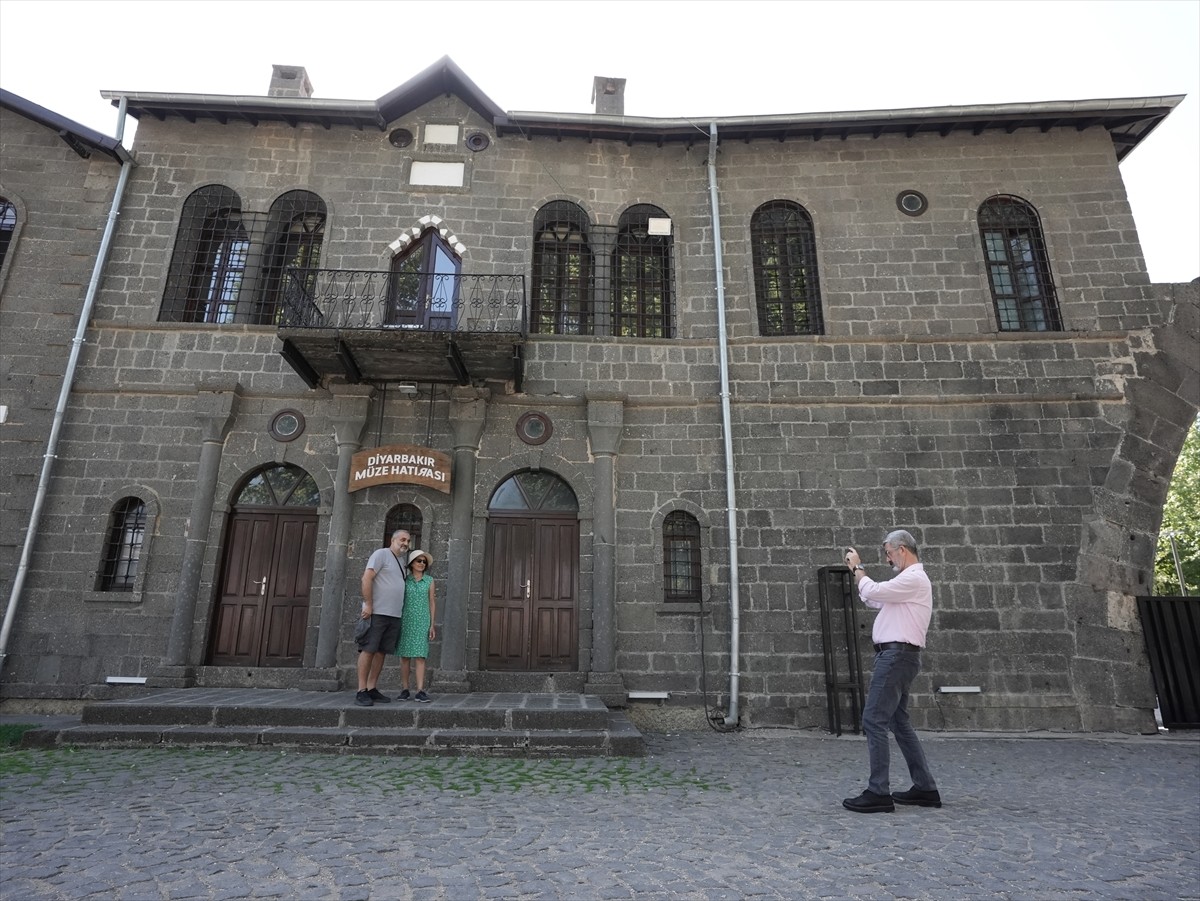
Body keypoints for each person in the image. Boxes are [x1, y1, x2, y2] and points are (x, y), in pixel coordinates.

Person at [841, 530, 942, 813]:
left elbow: (872, 591)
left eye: (888, 552)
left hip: (896, 656)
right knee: (899, 723)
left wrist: (858, 568)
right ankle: (924, 788)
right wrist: (861, 577)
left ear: (903, 550)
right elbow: (873, 599)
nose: (887, 558)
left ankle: (878, 792)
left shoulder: (913, 578)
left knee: (873, 719)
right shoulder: (906, 582)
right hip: (900, 656)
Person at [355, 529, 410, 707]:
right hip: (377, 612)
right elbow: (367, 578)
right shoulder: (381, 554)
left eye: (408, 541)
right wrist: (369, 604)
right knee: (368, 649)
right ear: (393, 540)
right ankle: (361, 690)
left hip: (393, 614)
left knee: (381, 652)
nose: (405, 543)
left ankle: (372, 687)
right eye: (402, 539)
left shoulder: (401, 563)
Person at [394, 549, 437, 703]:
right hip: (406, 620)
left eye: (424, 562)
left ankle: (420, 690)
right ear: (412, 563)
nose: (422, 564)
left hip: (422, 621)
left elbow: (432, 602)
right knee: (404, 656)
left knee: (420, 656)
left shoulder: (430, 581)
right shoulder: (405, 580)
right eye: (419, 561)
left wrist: (432, 624)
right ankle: (405, 689)